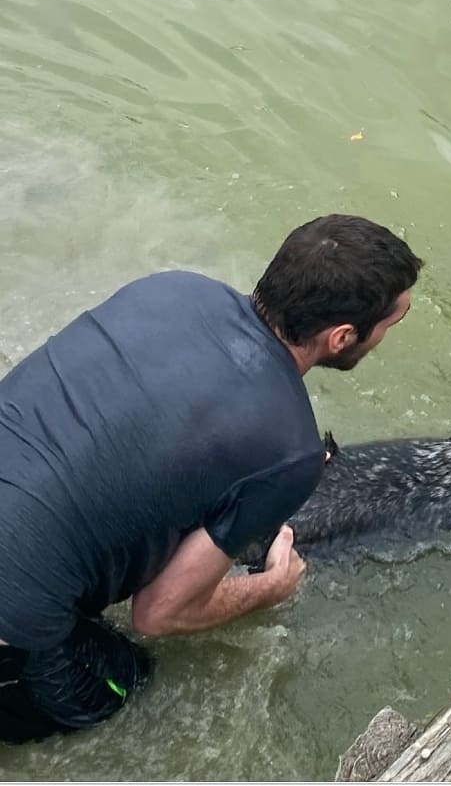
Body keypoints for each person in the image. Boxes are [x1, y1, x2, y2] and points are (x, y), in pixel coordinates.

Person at [0, 213, 423, 742]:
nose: (387, 335)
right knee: (124, 677)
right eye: (392, 322)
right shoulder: (290, 451)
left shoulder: (173, 287)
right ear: (342, 336)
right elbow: (157, 614)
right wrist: (270, 588)